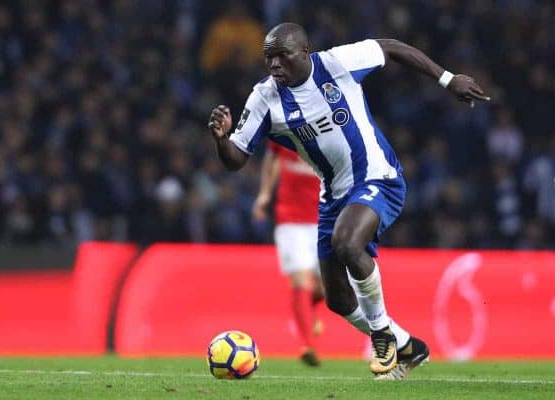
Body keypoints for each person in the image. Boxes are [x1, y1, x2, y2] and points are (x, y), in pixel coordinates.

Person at [207, 22, 490, 379]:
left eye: (283, 55)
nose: (275, 64)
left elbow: (391, 47)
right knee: (337, 300)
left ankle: (383, 337)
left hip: (378, 177)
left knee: (347, 242)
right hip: (333, 195)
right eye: (269, 58)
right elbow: (237, 158)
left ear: (304, 53)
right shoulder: (265, 97)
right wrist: (221, 140)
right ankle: (407, 345)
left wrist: (447, 79)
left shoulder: (336, 64)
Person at [252, 141, 325, 366]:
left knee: (324, 288)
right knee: (301, 281)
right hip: (291, 219)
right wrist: (264, 193)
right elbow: (272, 159)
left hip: (324, 218)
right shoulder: (284, 127)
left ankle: (306, 313)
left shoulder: (332, 128)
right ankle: (306, 345)